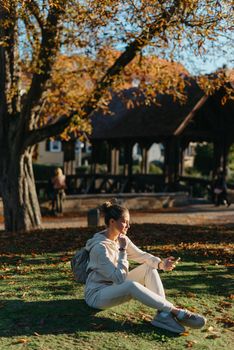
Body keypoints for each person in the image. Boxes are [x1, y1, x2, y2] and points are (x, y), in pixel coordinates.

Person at [84, 200, 207, 334]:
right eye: (125, 221)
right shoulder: (99, 248)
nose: (128, 225)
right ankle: (174, 311)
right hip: (97, 295)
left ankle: (163, 316)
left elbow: (141, 256)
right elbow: (119, 278)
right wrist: (122, 250)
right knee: (131, 286)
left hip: (114, 285)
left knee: (149, 268)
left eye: (129, 222)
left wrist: (161, 264)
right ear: (112, 222)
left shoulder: (120, 238)